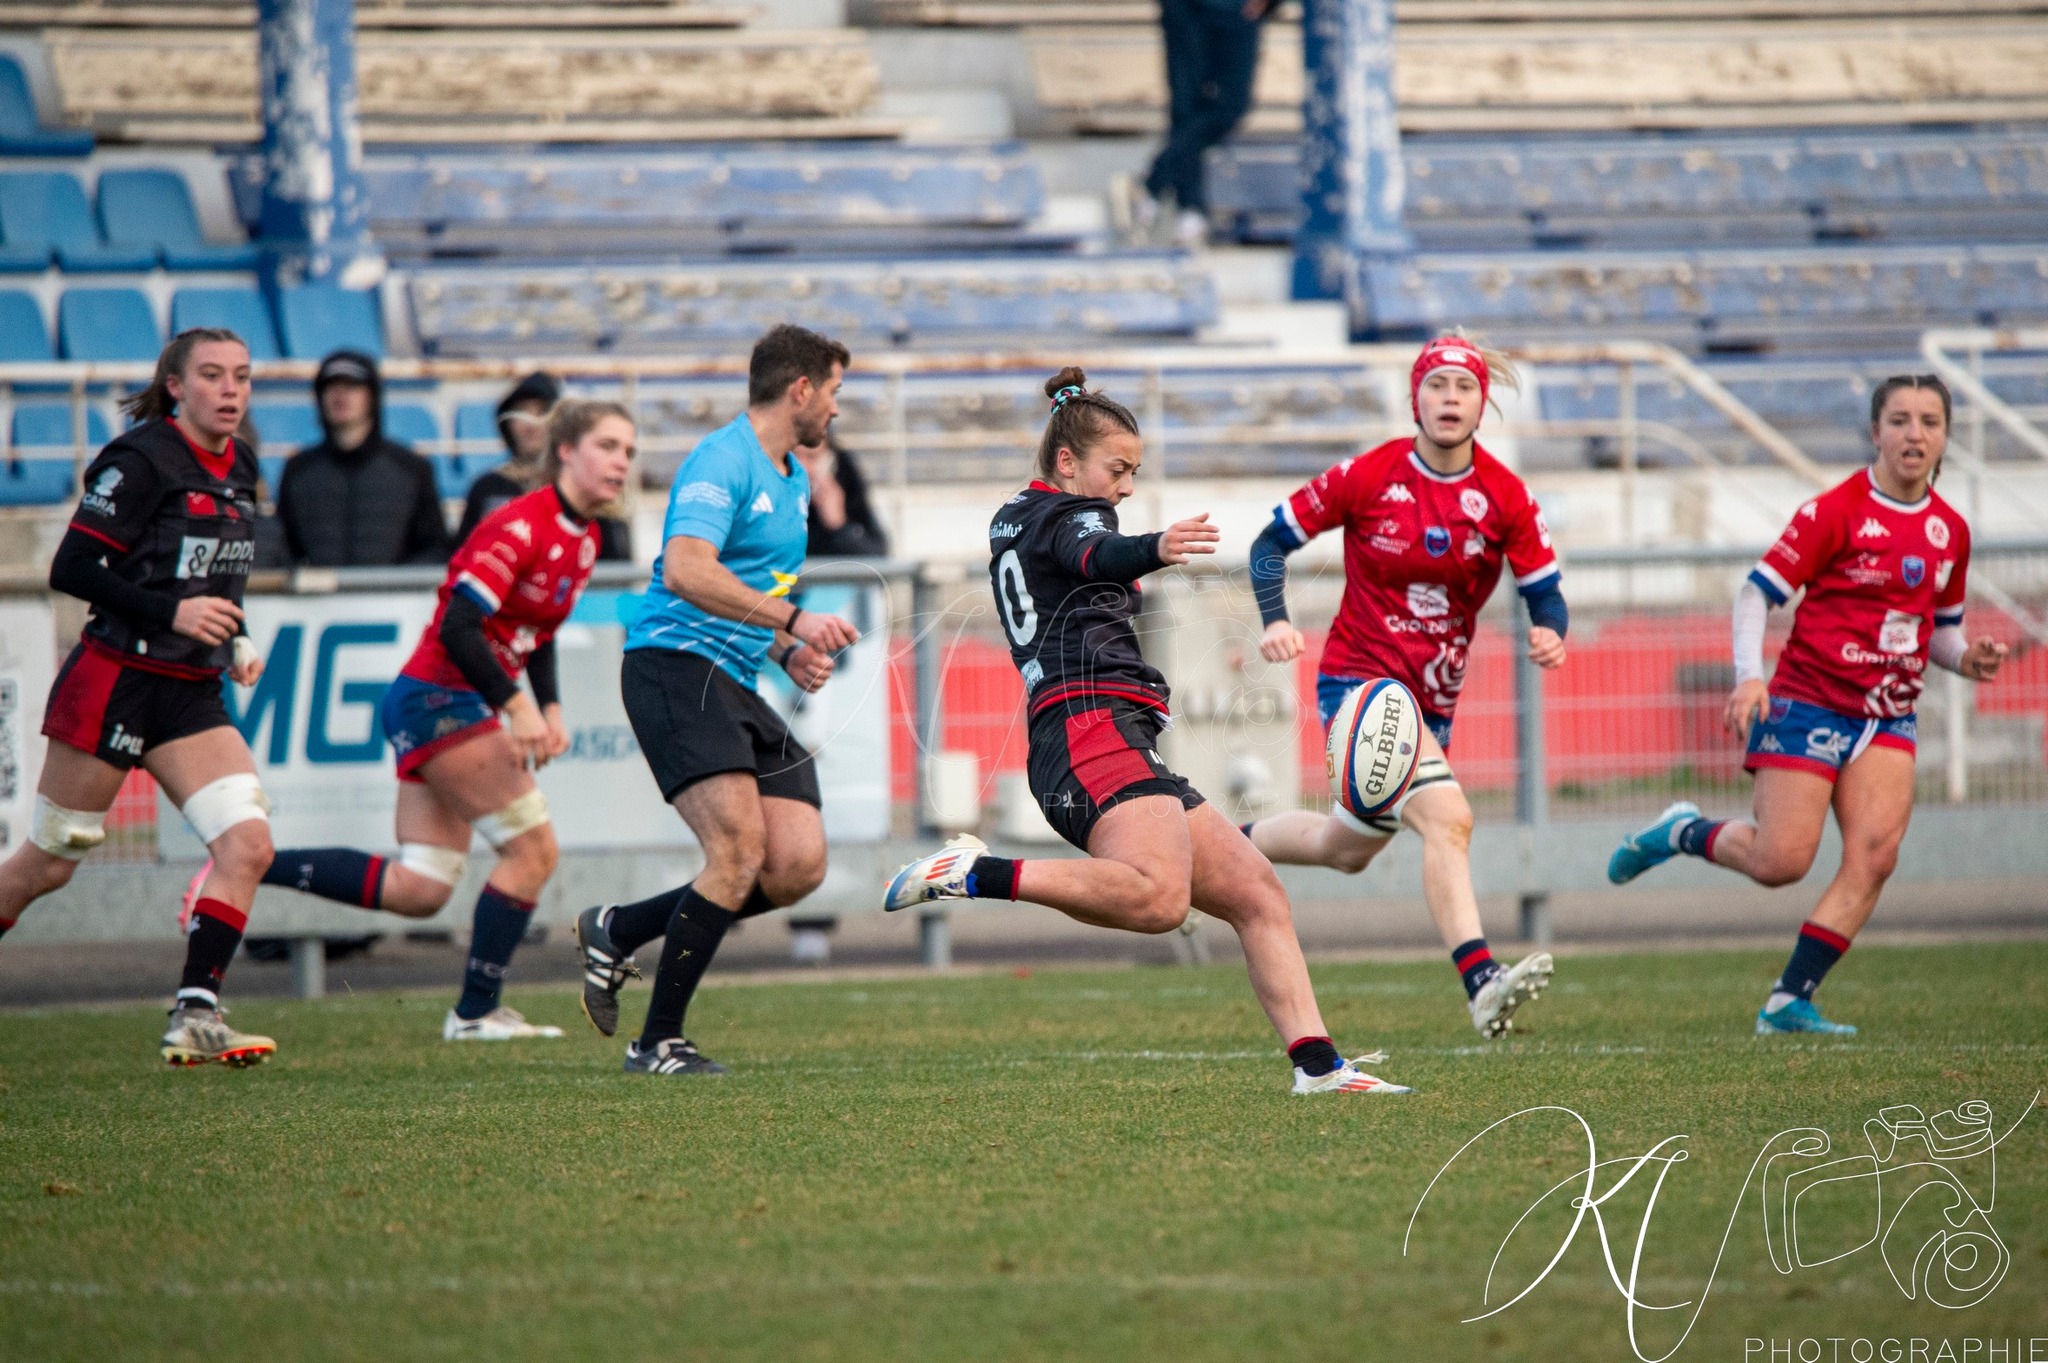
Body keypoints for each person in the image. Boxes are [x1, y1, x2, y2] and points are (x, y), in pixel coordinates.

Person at [885, 368, 1409, 1097]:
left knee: (1256, 892)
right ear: (1067, 463)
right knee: (1162, 900)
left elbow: (1079, 564)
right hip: (1089, 726)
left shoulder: (1017, 516)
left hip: (1100, 730)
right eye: (1118, 469)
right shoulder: (1074, 515)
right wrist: (1155, 545)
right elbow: (1096, 550)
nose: (1126, 485)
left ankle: (1320, 1067)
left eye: (1135, 472)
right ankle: (975, 872)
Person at [1608, 376, 2005, 1036]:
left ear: (1946, 436)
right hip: (1810, 699)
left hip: (1888, 715)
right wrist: (1748, 675)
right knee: (1781, 861)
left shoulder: (1949, 531)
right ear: (1875, 432)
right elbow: (1755, 594)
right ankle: (1682, 830)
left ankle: (1788, 1000)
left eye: (1929, 421)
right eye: (1900, 420)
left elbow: (1939, 626)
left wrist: (1967, 658)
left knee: (1875, 856)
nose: (1915, 434)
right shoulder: (1835, 511)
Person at [241, 401, 637, 1040]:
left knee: (421, 887)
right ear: (565, 450)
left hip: (442, 703)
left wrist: (551, 709)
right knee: (533, 851)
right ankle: (476, 1011)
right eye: (609, 445)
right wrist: (515, 709)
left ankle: (253, 861)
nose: (622, 461)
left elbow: (535, 636)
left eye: (629, 450)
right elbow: (459, 626)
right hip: (438, 701)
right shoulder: (517, 526)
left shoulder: (585, 539)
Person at [1239, 336, 1568, 1039]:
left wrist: (1550, 630)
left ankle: (1218, 843)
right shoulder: (1369, 473)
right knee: (1449, 818)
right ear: (1414, 397)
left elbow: (1544, 587)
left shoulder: (1505, 496)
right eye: (1437, 385)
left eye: (1464, 387)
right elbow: (1269, 543)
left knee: (1344, 849)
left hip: (1430, 701)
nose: (1450, 398)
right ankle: (1482, 981)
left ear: (1484, 402)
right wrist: (1275, 620)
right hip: (1358, 684)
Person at [572, 325, 860, 1076]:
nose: (837, 408)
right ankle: (656, 1041)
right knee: (736, 853)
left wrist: (785, 649)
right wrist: (794, 620)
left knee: (795, 864)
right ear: (800, 389)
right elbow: (686, 569)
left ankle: (619, 927)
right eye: (833, 391)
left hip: (732, 674)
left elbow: (742, 593)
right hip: (673, 668)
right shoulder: (721, 459)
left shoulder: (793, 475)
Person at [0, 328, 278, 1067]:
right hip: (118, 676)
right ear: (176, 386)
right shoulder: (140, 460)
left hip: (189, 690)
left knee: (247, 843)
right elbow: (72, 566)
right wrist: (171, 613)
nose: (230, 390)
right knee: (49, 864)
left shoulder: (241, 462)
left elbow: (220, 572)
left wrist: (238, 639)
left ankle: (197, 1010)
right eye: (213, 375)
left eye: (242, 377)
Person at [1116, 0, 1274, 249]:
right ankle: (1191, 208)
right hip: (1188, 10)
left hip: (1238, 10)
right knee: (1185, 106)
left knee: (1231, 107)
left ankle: (1154, 183)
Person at [275, 350, 449, 567]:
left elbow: (435, 548)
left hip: (393, 599)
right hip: (316, 599)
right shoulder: (298, 470)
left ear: (372, 396)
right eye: (331, 386)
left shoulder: (412, 468)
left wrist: (397, 587)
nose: (340, 395)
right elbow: (280, 549)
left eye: (352, 385)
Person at [459, 371, 632, 562]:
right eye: (522, 411)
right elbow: (462, 558)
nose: (530, 424)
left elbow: (614, 566)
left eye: (542, 412)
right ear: (507, 422)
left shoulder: (585, 487)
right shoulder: (487, 488)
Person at [797, 436, 889, 558]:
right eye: (793, 457)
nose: (802, 467)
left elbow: (878, 555)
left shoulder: (849, 489)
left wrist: (839, 526)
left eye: (812, 457)